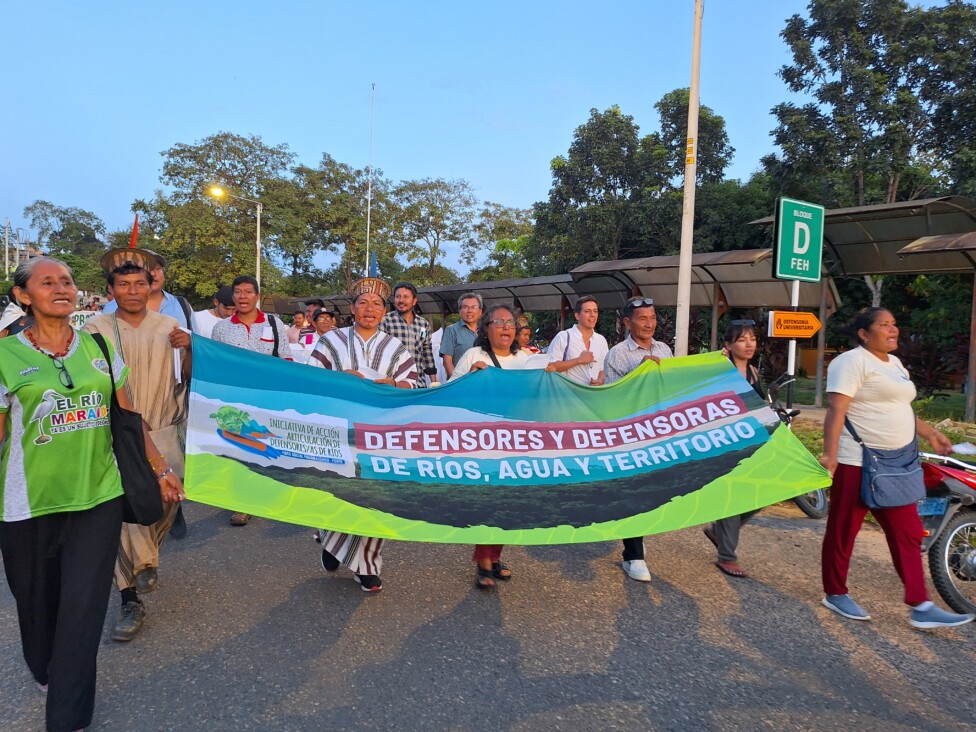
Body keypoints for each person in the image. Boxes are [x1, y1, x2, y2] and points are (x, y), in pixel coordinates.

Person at [0, 257, 184, 732]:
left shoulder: (99, 346)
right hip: (27, 503)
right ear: (24, 295)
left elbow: (128, 417)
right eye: (47, 282)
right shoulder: (5, 357)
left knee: (82, 607)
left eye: (66, 281)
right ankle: (44, 666)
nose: (61, 288)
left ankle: (68, 715)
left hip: (97, 496)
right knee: (35, 602)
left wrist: (160, 468)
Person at [820, 307, 974, 629]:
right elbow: (836, 410)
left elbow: (899, 406)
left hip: (897, 463)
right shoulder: (850, 362)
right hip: (857, 461)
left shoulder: (895, 364)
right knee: (843, 530)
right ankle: (835, 592)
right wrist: (830, 455)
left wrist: (930, 432)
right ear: (864, 334)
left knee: (907, 533)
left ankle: (921, 605)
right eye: (884, 325)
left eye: (894, 324)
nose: (893, 330)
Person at [84, 255, 191, 642]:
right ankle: (130, 596)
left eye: (140, 284)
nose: (133, 292)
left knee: (168, 499)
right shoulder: (95, 329)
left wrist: (190, 349)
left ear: (152, 287)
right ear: (111, 291)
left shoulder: (170, 326)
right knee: (127, 507)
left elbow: (191, 377)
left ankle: (147, 558)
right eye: (124, 286)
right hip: (117, 429)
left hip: (165, 425)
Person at [307, 277, 418, 592]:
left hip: (378, 434)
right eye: (363, 303)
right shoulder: (331, 342)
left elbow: (413, 383)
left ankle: (366, 565)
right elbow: (311, 379)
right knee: (336, 489)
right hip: (337, 431)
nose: (370, 309)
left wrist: (393, 384)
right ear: (352, 308)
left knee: (375, 495)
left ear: (384, 311)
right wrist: (341, 379)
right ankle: (332, 542)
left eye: (377, 304)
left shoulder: (394, 346)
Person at [450, 304, 542, 588]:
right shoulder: (473, 356)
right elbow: (448, 393)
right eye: (498, 321)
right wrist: (469, 377)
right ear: (485, 328)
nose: (505, 326)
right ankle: (483, 562)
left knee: (508, 504)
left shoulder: (527, 360)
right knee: (486, 502)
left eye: (510, 322)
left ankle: (495, 555)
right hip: (481, 443)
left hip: (516, 443)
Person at [603, 297, 673, 583]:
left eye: (652, 317)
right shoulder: (617, 355)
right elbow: (612, 399)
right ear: (627, 323)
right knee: (634, 492)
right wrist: (638, 373)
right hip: (630, 434)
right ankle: (633, 556)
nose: (649, 323)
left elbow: (672, 387)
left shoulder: (665, 350)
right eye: (642, 319)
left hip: (661, 431)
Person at [212, 275, 290, 526]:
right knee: (238, 448)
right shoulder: (222, 328)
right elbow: (216, 363)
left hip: (267, 397)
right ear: (232, 296)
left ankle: (266, 494)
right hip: (234, 399)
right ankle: (242, 503)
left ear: (257, 296)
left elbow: (286, 360)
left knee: (264, 444)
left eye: (248, 292)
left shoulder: (274, 323)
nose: (243, 297)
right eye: (238, 292)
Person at [703, 319, 763, 578]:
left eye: (752, 339)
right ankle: (728, 555)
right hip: (724, 445)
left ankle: (718, 532)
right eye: (742, 339)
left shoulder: (754, 373)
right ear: (728, 345)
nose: (749, 344)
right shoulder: (719, 371)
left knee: (766, 493)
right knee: (732, 497)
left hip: (751, 443)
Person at [100, 248, 192, 329]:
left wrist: (189, 343)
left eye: (157, 269)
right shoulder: (111, 308)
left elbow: (198, 343)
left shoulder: (182, 304)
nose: (153, 274)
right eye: (148, 270)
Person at [380, 281, 438, 387]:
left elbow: (427, 352)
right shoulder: (385, 321)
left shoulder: (423, 325)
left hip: (418, 383)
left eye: (406, 297)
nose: (401, 300)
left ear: (414, 301)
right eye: (398, 297)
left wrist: (434, 382)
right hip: (394, 383)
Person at [544, 296, 607, 385]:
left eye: (595, 311)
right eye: (587, 311)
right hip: (568, 394)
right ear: (577, 315)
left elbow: (603, 368)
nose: (592, 315)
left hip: (594, 395)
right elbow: (549, 367)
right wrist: (579, 360)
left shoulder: (601, 340)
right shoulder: (563, 337)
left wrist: (600, 380)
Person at [440, 292, 483, 378]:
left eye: (473, 307)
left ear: (480, 312)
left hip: (483, 381)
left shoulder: (486, 331)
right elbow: (447, 361)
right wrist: (456, 382)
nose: (469, 311)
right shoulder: (452, 330)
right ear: (460, 311)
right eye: (465, 307)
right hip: (461, 382)